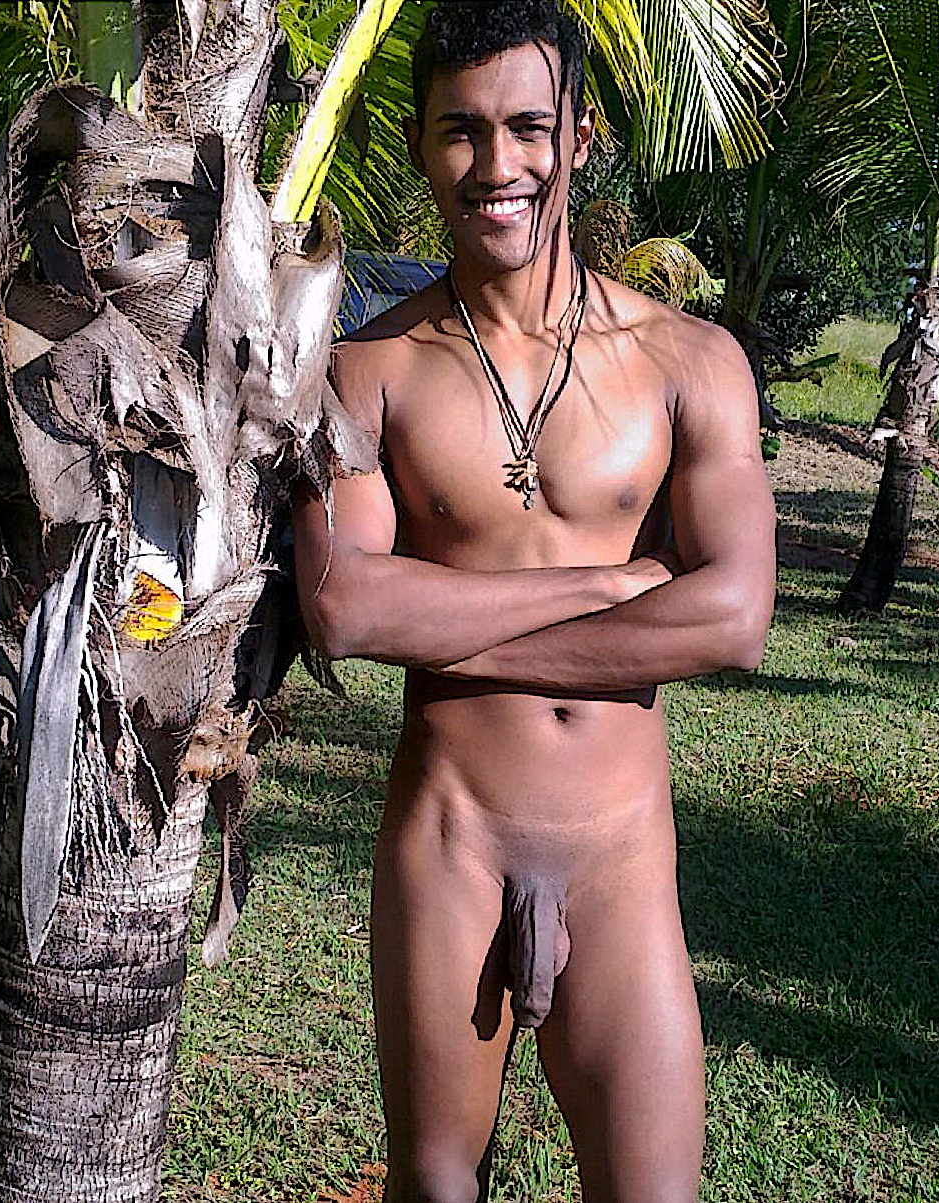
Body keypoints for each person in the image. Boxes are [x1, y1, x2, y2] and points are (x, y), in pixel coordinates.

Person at [292, 3, 776, 1200]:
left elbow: (732, 618)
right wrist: (612, 584)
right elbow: (343, 609)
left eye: (526, 127)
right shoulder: (366, 370)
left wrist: (445, 623)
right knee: (434, 1185)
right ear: (420, 144)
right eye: (460, 130)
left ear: (580, 136)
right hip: (448, 840)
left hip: (622, 853)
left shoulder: (688, 361)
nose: (495, 164)